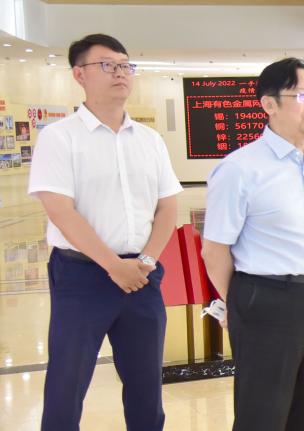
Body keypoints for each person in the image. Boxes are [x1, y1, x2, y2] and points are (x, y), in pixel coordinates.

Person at [28, 33, 182, 430]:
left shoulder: (150, 140)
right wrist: (114, 265)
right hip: (82, 276)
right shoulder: (59, 138)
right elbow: (61, 211)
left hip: (142, 277)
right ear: (79, 74)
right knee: (67, 383)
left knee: (146, 385)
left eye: (125, 65)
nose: (120, 73)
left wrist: (145, 260)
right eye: (108, 65)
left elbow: (167, 206)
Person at [202, 58, 304, 431]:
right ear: (268, 104)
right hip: (267, 299)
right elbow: (214, 250)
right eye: (301, 95)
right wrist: (239, 304)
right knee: (263, 414)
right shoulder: (240, 169)